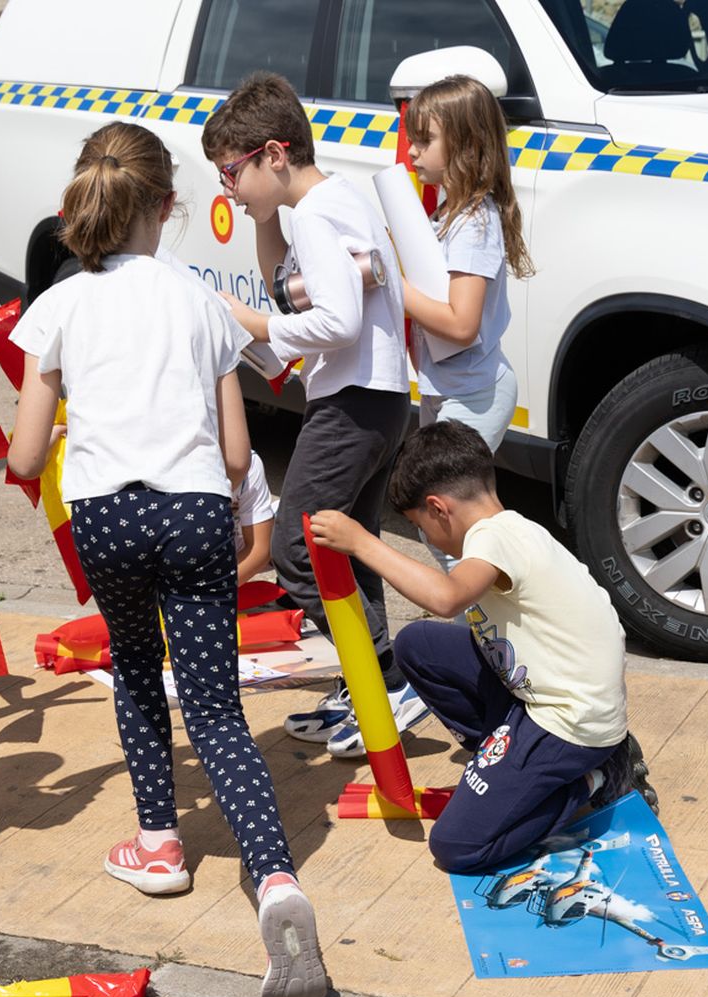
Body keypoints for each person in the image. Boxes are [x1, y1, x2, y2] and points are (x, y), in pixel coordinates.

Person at [7, 121, 327, 997]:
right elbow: (234, 452)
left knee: (137, 676)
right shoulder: (197, 301)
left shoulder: (61, 306)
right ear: (167, 206)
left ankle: (158, 844)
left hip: (108, 512)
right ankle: (273, 878)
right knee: (217, 706)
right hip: (193, 511)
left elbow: (30, 458)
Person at [308, 421, 656, 874]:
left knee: (457, 846)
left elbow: (446, 597)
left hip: (570, 721)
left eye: (419, 528)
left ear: (438, 508)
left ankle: (595, 778)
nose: (426, 539)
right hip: (552, 699)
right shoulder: (512, 528)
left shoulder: (494, 538)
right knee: (417, 644)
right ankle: (513, 772)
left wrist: (361, 543)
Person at [200, 72, 416, 758]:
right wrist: (266, 226)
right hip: (376, 400)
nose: (227, 188)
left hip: (352, 402)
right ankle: (369, 682)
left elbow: (336, 319)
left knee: (299, 551)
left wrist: (252, 325)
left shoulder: (320, 216)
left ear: (273, 154)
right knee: (352, 546)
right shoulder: (330, 203)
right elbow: (292, 289)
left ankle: (385, 678)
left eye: (232, 171)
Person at [322, 73, 536, 761]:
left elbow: (461, 322)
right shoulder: (452, 214)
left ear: (465, 144)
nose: (412, 150)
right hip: (455, 395)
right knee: (448, 539)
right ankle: (486, 660)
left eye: (425, 139)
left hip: (473, 396)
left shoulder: (472, 225)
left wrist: (390, 279)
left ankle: (485, 664)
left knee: (453, 541)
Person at [233, 449, 276, 585]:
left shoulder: (247, 461)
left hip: (233, 549)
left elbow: (259, 548)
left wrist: (212, 590)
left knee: (297, 518)